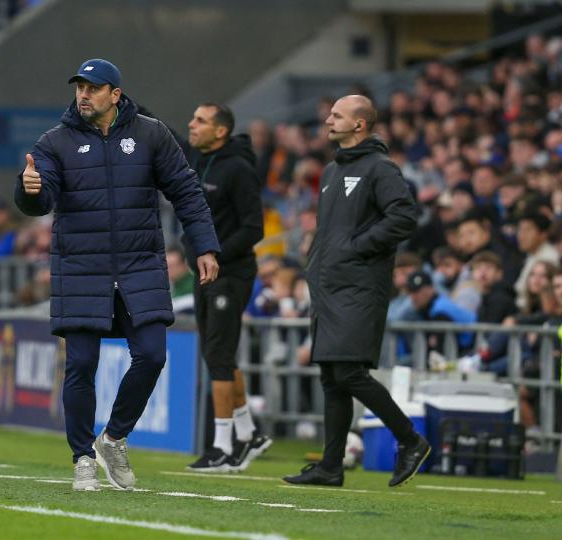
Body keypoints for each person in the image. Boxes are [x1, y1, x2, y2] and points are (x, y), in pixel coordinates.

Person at [14, 59, 220, 491]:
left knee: (153, 354)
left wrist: (204, 245)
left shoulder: (151, 134)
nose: (83, 95)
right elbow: (41, 196)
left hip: (139, 264)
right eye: (79, 88)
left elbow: (186, 191)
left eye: (92, 88)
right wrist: (28, 190)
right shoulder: (55, 142)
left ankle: (114, 437)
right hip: (81, 267)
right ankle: (82, 457)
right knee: (82, 364)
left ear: (115, 95)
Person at [283, 95, 430, 488]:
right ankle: (331, 467)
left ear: (359, 125)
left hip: (360, 286)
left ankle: (410, 439)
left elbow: (403, 217)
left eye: (336, 115)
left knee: (348, 371)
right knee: (333, 376)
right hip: (330, 285)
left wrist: (355, 248)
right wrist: (316, 258)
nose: (327, 119)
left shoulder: (380, 168)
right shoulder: (332, 170)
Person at [179, 102, 272, 472]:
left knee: (218, 357)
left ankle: (221, 446)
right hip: (207, 271)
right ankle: (250, 434)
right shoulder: (196, 159)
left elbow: (254, 229)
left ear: (220, 131)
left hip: (230, 273)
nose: (192, 124)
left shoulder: (239, 169)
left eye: (200, 120)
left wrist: (213, 253)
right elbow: (168, 132)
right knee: (220, 355)